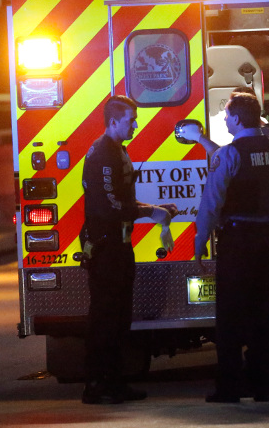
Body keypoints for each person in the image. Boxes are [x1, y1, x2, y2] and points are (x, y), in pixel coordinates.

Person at [192, 93, 269, 403]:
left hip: (238, 240)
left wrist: (200, 240)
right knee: (263, 313)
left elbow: (212, 202)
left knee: (230, 314)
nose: (226, 120)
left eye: (227, 115)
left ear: (238, 119)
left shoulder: (230, 154)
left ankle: (229, 387)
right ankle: (265, 384)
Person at [80, 95, 176, 405]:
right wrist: (151, 212)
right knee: (105, 318)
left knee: (119, 318)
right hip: (106, 247)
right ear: (113, 122)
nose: (135, 125)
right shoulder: (103, 154)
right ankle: (97, 385)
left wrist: (157, 208)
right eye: (131, 121)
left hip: (118, 245)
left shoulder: (117, 150)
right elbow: (109, 207)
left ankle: (114, 382)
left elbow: (122, 201)